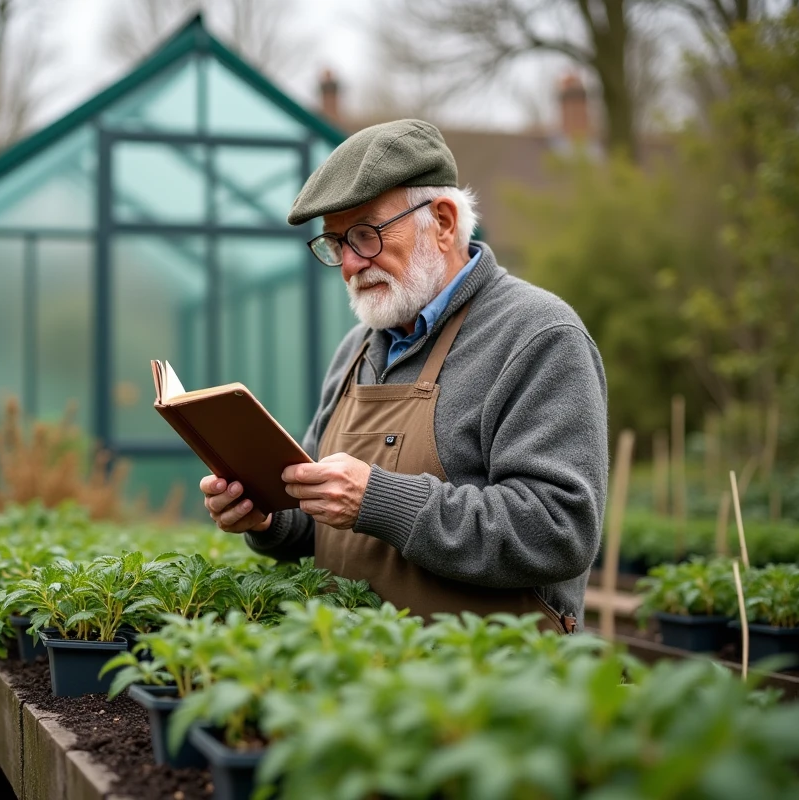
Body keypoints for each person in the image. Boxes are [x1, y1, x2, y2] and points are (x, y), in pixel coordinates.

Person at [200, 119, 608, 632]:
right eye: (335, 244)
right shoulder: (358, 349)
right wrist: (269, 517)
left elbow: (557, 530)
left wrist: (378, 499)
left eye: (366, 235)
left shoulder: (538, 336)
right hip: (350, 676)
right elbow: (320, 522)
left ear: (441, 221)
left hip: (487, 689)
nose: (350, 264)